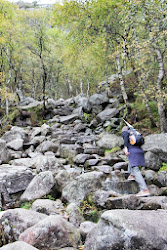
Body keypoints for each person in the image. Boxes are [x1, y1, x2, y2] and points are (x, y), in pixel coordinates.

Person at [122, 126, 150, 197]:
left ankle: (144, 190)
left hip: (132, 151)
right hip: (140, 151)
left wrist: (125, 148)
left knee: (135, 170)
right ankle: (132, 175)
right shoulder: (135, 133)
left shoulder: (126, 133)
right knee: (132, 164)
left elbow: (125, 138)